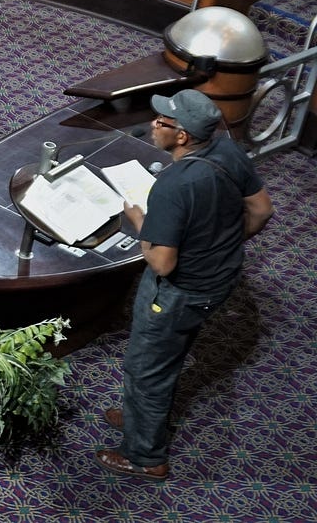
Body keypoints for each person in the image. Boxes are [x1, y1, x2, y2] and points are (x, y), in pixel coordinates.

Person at [95, 90, 274, 481]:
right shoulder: (228, 151)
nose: (153, 125)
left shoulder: (174, 185)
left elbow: (161, 262)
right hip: (218, 281)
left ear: (182, 137)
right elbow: (262, 209)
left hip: (178, 294)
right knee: (169, 357)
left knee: (147, 371)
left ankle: (145, 456)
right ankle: (135, 417)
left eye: (163, 122)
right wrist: (218, 246)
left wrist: (139, 220)